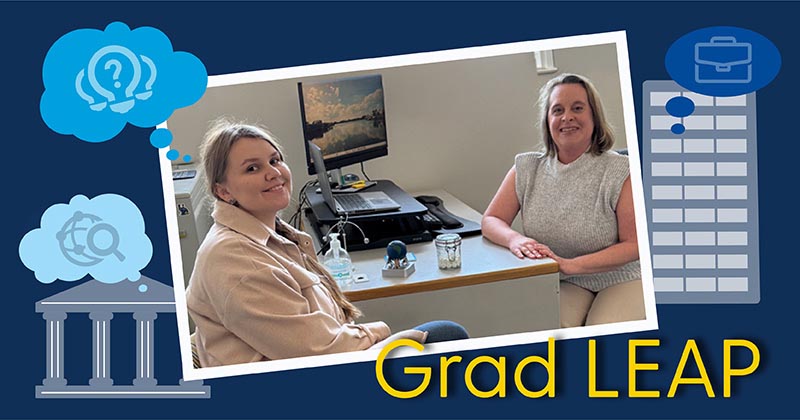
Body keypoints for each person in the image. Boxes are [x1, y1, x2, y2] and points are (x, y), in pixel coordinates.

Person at [186, 120, 467, 367]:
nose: (273, 173)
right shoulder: (237, 262)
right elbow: (320, 353)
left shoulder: (272, 234)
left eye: (275, 160)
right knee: (447, 337)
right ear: (223, 191)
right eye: (252, 168)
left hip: (314, 355)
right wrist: (380, 332)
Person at [481, 73, 644, 328]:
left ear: (594, 117)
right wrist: (516, 239)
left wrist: (570, 265)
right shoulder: (526, 168)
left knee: (601, 333)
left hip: (621, 277)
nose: (567, 117)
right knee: (546, 330)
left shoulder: (620, 170)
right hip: (563, 280)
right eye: (558, 110)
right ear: (548, 121)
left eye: (577, 108)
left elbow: (635, 244)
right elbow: (491, 219)